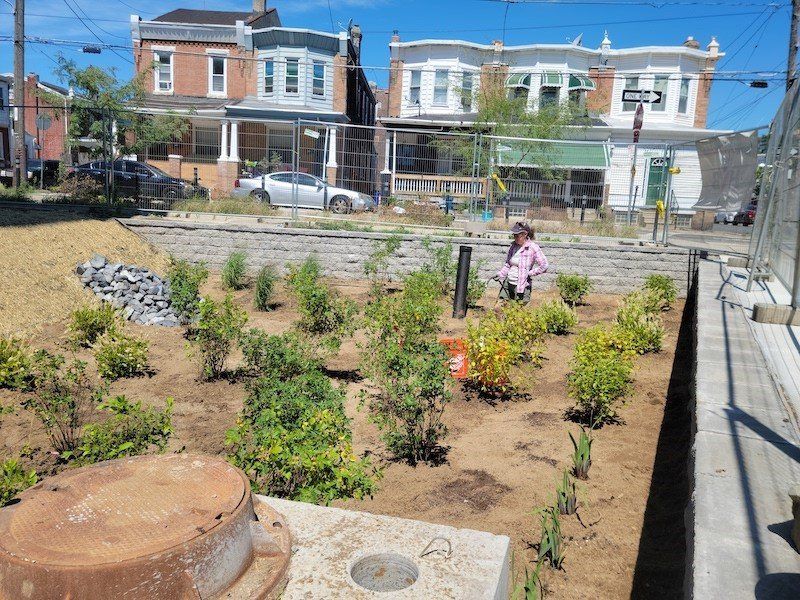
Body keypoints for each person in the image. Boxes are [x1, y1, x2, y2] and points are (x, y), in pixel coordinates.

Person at [494, 221, 548, 302]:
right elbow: (508, 264)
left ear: (525, 234)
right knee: (502, 306)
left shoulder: (533, 247)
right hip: (508, 282)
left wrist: (529, 273)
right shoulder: (513, 246)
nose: (515, 237)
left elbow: (544, 265)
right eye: (514, 235)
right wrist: (500, 274)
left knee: (518, 310)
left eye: (517, 235)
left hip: (521, 286)